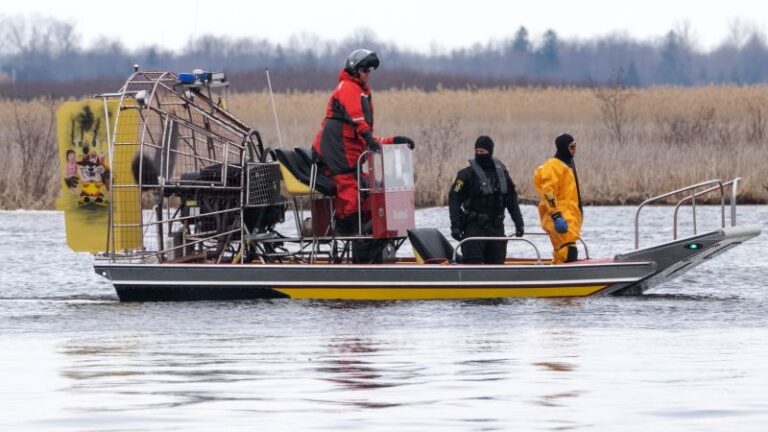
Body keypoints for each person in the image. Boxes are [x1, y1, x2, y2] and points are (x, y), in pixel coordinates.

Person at [312, 48, 414, 236]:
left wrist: (393, 141)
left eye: (370, 71)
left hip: (348, 152)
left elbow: (363, 134)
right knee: (351, 191)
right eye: (365, 70)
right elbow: (357, 119)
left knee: (365, 190)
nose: (368, 74)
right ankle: (350, 234)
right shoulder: (348, 87)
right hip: (337, 151)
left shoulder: (360, 91)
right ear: (354, 70)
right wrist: (367, 137)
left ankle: (366, 238)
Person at [448, 136, 525, 264]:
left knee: (497, 264)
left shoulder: (502, 174)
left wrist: (519, 223)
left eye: (482, 152)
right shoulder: (464, 175)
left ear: (490, 152)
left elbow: (511, 199)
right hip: (474, 227)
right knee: (473, 263)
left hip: (496, 227)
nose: (479, 154)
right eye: (476, 151)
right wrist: (455, 226)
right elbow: (454, 198)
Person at [533, 133, 583, 264]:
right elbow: (548, 192)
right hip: (559, 218)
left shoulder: (568, 165)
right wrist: (556, 215)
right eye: (571, 147)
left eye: (575, 146)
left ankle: (558, 274)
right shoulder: (553, 166)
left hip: (569, 219)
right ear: (563, 148)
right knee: (566, 252)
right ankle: (562, 279)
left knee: (567, 251)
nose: (574, 150)